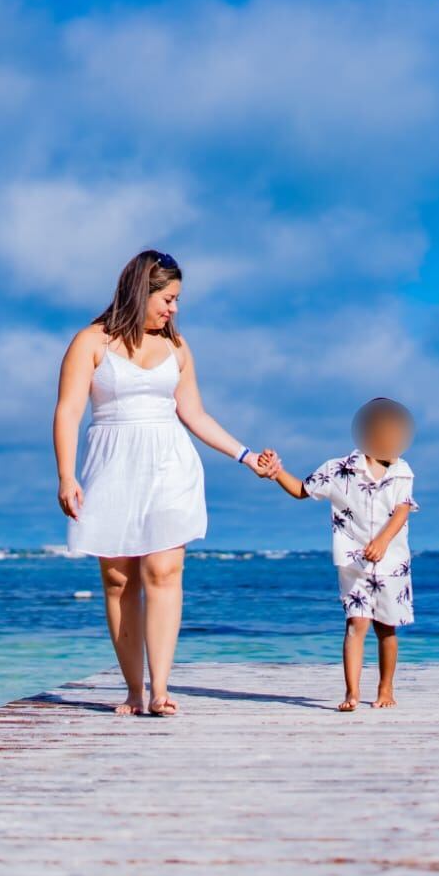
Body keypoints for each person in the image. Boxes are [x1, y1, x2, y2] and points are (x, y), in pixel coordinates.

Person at [53, 249, 275, 717]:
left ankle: (160, 690)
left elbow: (193, 413)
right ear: (142, 291)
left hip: (170, 465)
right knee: (117, 580)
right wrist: (67, 475)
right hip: (111, 465)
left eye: (177, 300)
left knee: (163, 571)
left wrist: (246, 456)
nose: (174, 309)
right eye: (168, 299)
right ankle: (133, 691)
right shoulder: (91, 341)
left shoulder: (177, 346)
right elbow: (69, 411)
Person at [257, 399, 418, 712]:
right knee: (356, 624)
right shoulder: (337, 469)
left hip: (392, 563)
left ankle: (385, 687)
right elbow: (303, 490)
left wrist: (383, 541)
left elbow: (402, 511)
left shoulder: (402, 469)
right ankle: (352, 693)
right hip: (353, 562)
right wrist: (276, 473)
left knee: (387, 627)